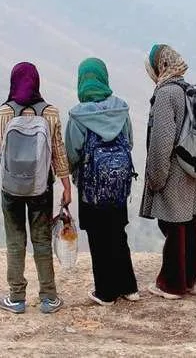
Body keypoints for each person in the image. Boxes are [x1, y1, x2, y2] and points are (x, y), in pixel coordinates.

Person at [0, 62, 72, 314]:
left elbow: (1, 150)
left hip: (11, 188)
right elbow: (58, 152)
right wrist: (66, 186)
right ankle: (48, 297)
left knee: (15, 242)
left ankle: (16, 298)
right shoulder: (50, 113)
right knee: (41, 241)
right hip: (41, 188)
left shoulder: (4, 113)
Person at [65, 58, 139, 306]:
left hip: (91, 189)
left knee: (98, 238)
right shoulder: (121, 110)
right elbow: (129, 142)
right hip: (118, 187)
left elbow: (72, 153)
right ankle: (129, 287)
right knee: (118, 233)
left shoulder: (77, 117)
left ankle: (106, 292)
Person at [140, 44, 196, 299]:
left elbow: (161, 142)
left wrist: (156, 177)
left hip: (174, 171)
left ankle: (173, 284)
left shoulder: (166, 94)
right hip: (192, 168)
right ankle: (195, 278)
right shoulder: (187, 89)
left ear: (159, 67)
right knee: (191, 219)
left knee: (174, 223)